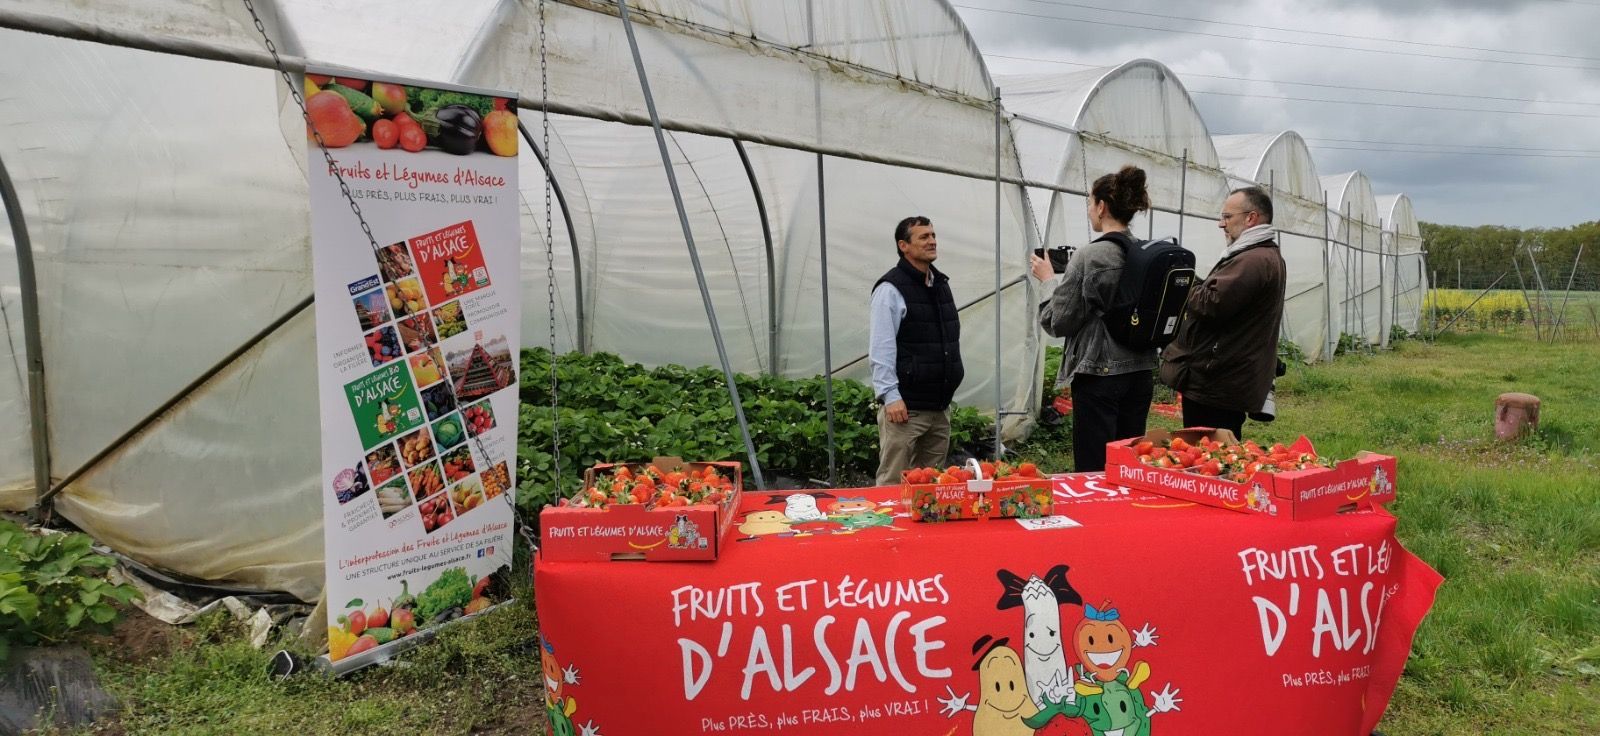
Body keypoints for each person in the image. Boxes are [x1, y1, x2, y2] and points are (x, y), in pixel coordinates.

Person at [1029, 165, 1158, 472]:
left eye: (1089, 203)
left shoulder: (1090, 256)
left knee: (1094, 465)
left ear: (1101, 207)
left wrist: (1048, 280)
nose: (1089, 211)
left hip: (1100, 374)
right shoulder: (1144, 252)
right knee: (1128, 464)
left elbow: (1058, 321)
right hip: (1141, 371)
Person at [1159, 186, 1286, 440]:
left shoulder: (1254, 260)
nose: (1221, 224)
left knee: (1210, 453)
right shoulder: (1257, 255)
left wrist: (1182, 278)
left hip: (1218, 382)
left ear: (1251, 218)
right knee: (1216, 449)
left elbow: (1211, 303)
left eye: (1228, 217)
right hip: (1225, 377)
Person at [869, 216, 964, 486]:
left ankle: (926, 529)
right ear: (904, 245)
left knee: (931, 485)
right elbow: (881, 347)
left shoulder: (940, 285)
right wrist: (890, 395)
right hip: (906, 409)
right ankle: (888, 529)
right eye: (923, 237)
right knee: (893, 482)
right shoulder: (890, 289)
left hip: (938, 406)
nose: (932, 241)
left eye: (933, 235)